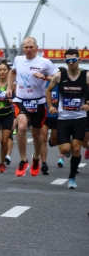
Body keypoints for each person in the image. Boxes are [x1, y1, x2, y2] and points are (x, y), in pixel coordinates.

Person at [7, 37, 57, 177]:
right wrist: (9, 88)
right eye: (26, 47)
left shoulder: (45, 62)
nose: (28, 50)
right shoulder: (18, 59)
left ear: (37, 47)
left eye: (31, 47)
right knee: (22, 127)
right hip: (21, 99)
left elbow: (58, 77)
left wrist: (44, 77)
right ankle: (23, 160)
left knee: (37, 134)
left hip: (38, 101)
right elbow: (13, 72)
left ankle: (36, 159)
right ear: (23, 48)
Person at [45, 49, 89, 189]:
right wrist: (51, 106)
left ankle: (71, 178)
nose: (70, 63)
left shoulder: (86, 76)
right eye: (68, 61)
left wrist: (88, 104)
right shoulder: (59, 76)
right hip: (63, 118)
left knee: (76, 149)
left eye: (73, 60)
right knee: (64, 149)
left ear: (79, 60)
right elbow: (48, 90)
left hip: (80, 118)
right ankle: (67, 146)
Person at [0, 61, 15, 173]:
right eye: (0, 69)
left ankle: (2, 164)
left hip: (8, 115)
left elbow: (18, 99)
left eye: (5, 70)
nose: (2, 72)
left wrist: (12, 100)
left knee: (5, 141)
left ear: (8, 71)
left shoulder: (13, 85)